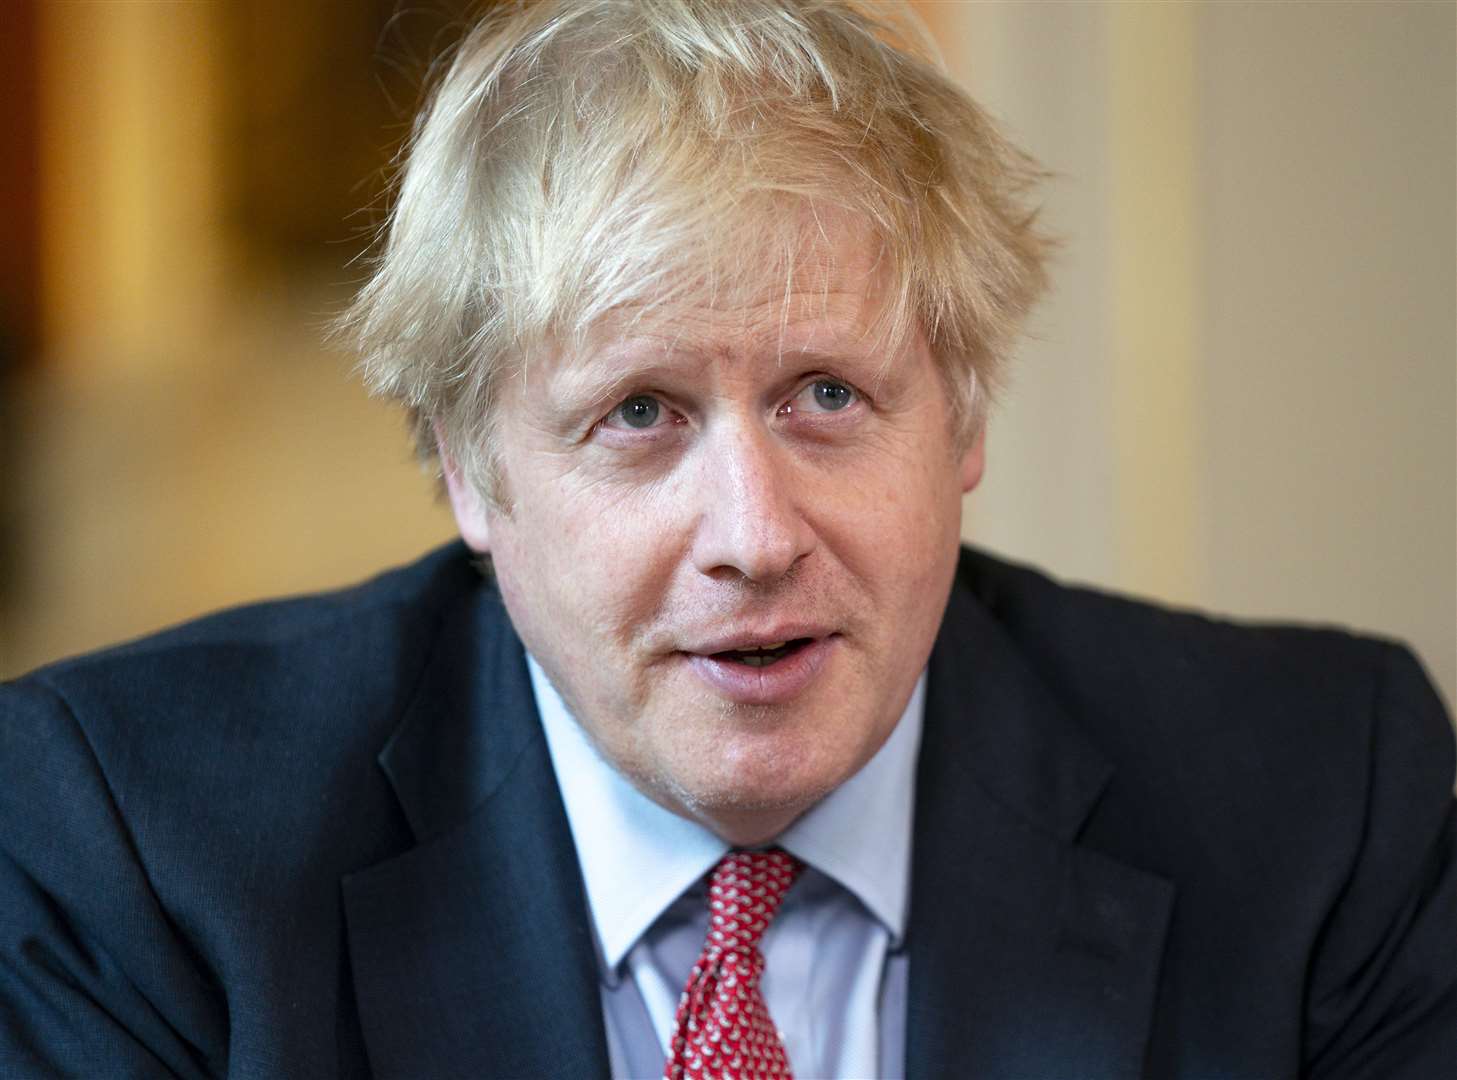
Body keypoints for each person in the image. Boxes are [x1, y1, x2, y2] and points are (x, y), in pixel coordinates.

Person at [2, 2, 1453, 1077]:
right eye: (637, 413)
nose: (753, 539)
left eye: (829, 395)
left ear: (962, 423)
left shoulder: (1326, 801)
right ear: (464, 472)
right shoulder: (134, 847)